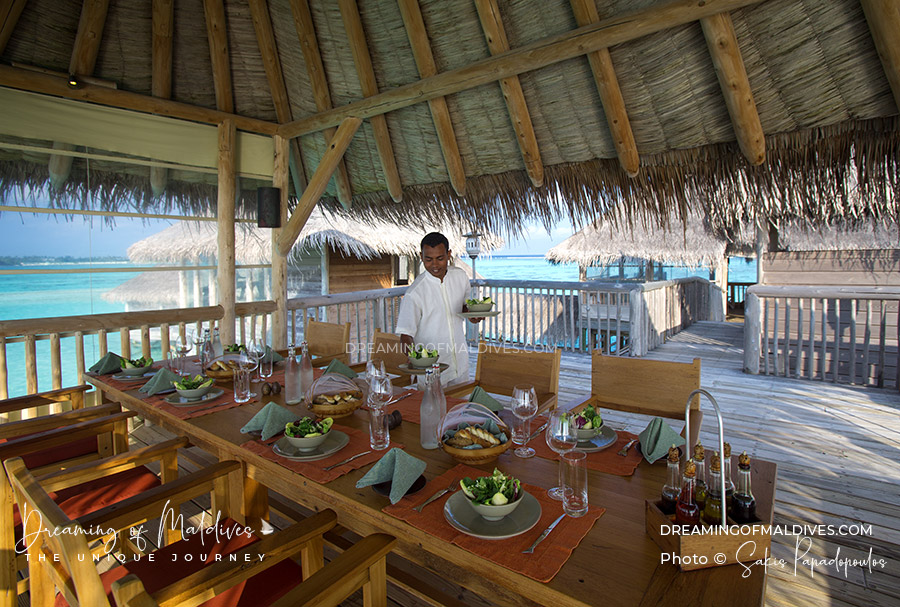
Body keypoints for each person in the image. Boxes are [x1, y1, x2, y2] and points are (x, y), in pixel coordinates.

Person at [395, 232, 482, 386]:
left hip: (460, 363)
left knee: (460, 409)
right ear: (421, 257)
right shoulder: (414, 293)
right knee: (433, 410)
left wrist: (473, 315)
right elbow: (405, 335)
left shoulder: (460, 276)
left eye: (440, 258)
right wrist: (414, 356)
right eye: (428, 259)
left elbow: (465, 306)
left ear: (448, 255)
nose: (434, 265)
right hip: (432, 370)